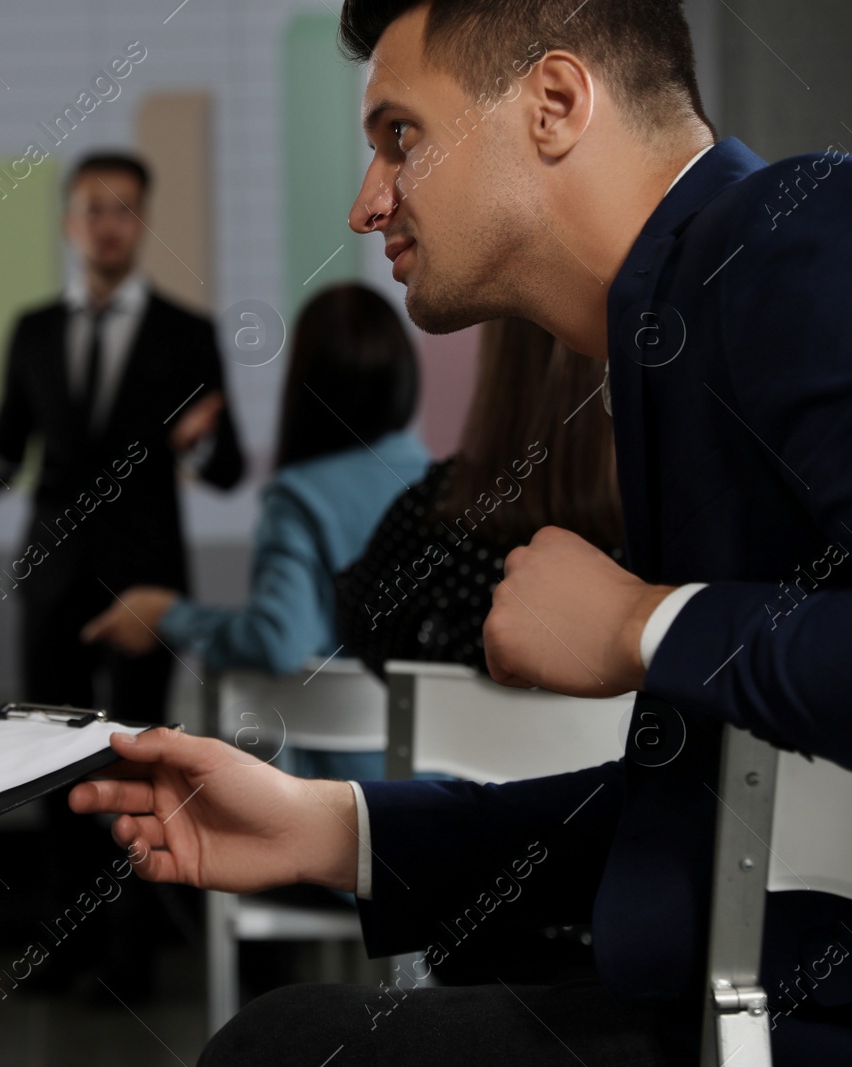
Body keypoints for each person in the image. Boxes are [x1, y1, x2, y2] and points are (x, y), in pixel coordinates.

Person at [69, 0, 852, 1062]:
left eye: (402, 136)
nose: (364, 203)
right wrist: (337, 827)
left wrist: (647, 624)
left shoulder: (787, 240)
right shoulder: (673, 330)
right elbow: (713, 812)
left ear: (556, 104)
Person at [82, 282, 430, 782]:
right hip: (444, 794)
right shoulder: (449, 486)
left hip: (339, 806)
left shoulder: (298, 496)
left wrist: (167, 615)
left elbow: (278, 641)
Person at [0, 150, 245, 726]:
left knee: (140, 751)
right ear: (68, 222)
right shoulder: (33, 332)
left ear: (142, 222)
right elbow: (8, 450)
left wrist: (197, 446)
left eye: (123, 211)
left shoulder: (187, 334)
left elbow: (229, 469)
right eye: (93, 210)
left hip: (147, 582)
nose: (107, 226)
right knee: (42, 748)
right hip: (51, 572)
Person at [335, 317, 622, 680]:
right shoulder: (670, 534)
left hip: (447, 735)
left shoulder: (432, 516)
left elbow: (360, 627)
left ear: (499, 362)